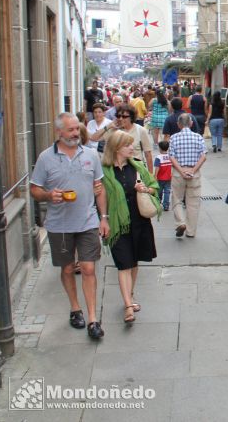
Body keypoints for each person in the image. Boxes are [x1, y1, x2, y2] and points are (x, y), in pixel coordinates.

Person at [29, 113, 109, 340]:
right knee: (66, 269)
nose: (75, 133)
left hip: (87, 221)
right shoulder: (46, 158)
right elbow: (34, 190)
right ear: (59, 132)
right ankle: (75, 308)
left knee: (89, 269)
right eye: (71, 130)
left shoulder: (91, 155)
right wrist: (48, 195)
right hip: (59, 225)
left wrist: (104, 217)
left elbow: (99, 187)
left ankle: (93, 319)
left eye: (77, 128)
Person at [101, 131, 159, 324]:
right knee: (124, 263)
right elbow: (100, 198)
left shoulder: (138, 166)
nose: (132, 147)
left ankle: (130, 295)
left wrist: (146, 189)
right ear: (117, 147)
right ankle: (128, 305)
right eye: (128, 145)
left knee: (134, 262)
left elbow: (154, 187)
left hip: (139, 221)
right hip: (118, 224)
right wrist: (104, 220)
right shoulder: (104, 171)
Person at [169, 114, 207, 239]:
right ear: (191, 124)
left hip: (178, 173)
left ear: (178, 124)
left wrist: (181, 171)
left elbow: (171, 157)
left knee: (177, 199)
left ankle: (180, 222)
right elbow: (203, 156)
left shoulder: (174, 138)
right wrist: (193, 170)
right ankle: (191, 231)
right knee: (193, 203)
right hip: (194, 173)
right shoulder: (198, 137)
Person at [92, 104, 154, 175]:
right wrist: (109, 126)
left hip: (136, 171)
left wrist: (151, 175)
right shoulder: (114, 130)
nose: (121, 119)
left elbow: (148, 154)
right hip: (117, 172)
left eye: (124, 116)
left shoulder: (140, 130)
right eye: (118, 116)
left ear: (131, 117)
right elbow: (94, 138)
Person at [154, 140, 172, 211]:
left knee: (159, 191)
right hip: (168, 178)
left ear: (160, 148)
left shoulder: (158, 157)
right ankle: (166, 205)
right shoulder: (170, 156)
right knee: (167, 192)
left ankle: (158, 203)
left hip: (160, 178)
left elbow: (157, 168)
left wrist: (155, 176)